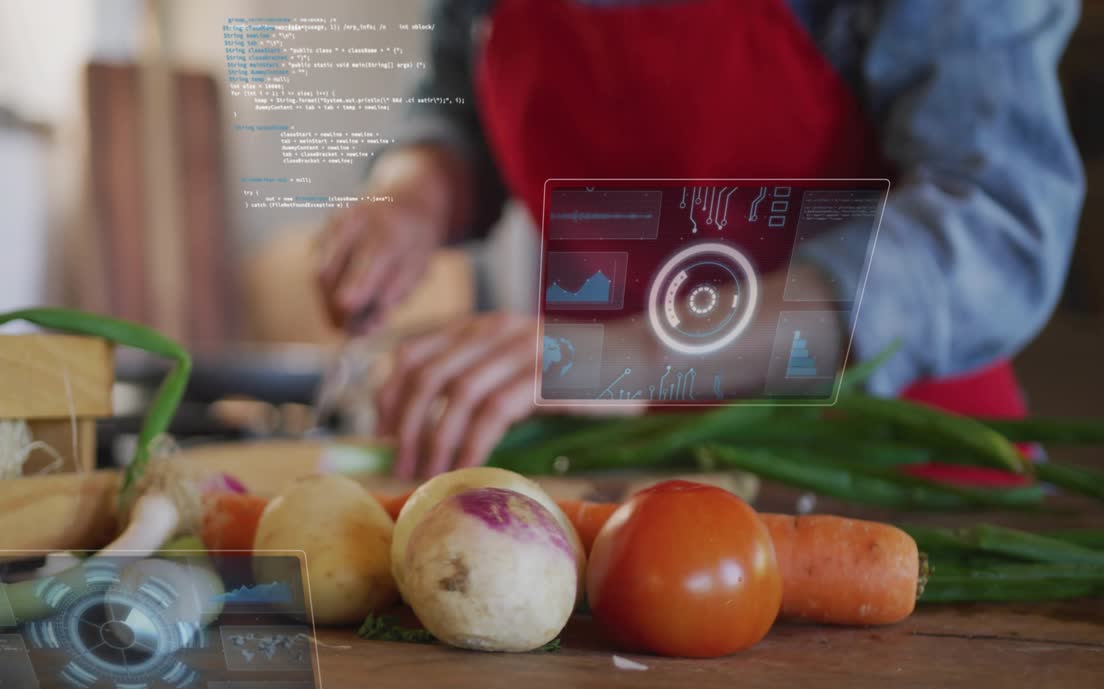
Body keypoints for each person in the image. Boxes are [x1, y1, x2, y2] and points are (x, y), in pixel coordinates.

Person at [314, 0, 1084, 481]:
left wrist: (639, 356)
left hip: (897, 478)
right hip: (616, 476)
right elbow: (454, 96)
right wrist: (414, 191)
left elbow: (997, 221)